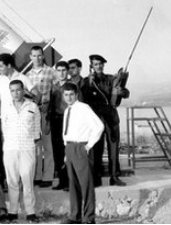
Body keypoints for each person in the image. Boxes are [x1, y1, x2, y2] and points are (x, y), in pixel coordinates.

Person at [81, 55, 129, 187]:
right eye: (96, 64)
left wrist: (121, 92)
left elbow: (126, 92)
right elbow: (82, 98)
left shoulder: (111, 79)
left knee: (113, 149)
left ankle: (114, 177)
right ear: (91, 66)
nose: (99, 66)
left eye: (100, 64)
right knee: (96, 149)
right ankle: (96, 178)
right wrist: (89, 84)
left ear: (103, 65)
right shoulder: (86, 81)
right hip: (96, 120)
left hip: (111, 118)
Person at [61, 82, 104, 224]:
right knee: (73, 184)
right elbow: (67, 133)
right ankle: (75, 216)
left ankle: (89, 218)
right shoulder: (67, 110)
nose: (69, 97)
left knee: (86, 184)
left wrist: (89, 145)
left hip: (81, 147)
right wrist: (67, 152)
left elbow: (98, 127)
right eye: (66, 95)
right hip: (70, 148)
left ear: (76, 94)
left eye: (71, 94)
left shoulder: (83, 108)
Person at [1, 80, 41, 223]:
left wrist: (31, 143)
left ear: (23, 90)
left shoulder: (33, 106)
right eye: (13, 90)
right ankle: (12, 211)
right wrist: (9, 143)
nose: (16, 93)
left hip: (27, 148)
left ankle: (30, 212)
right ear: (10, 92)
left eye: (18, 90)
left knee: (27, 181)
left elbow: (37, 129)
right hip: (10, 148)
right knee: (12, 181)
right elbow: (4, 128)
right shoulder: (6, 107)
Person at [0, 53, 32, 184]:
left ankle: (23, 178)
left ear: (9, 65)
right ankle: (10, 179)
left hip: (22, 120)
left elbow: (36, 95)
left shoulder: (23, 78)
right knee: (8, 151)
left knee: (22, 149)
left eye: (1, 66)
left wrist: (26, 94)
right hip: (5, 121)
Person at [26, 46, 55, 188]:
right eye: (34, 55)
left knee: (47, 145)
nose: (37, 58)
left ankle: (48, 175)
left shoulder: (51, 72)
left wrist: (48, 106)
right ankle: (37, 176)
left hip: (46, 111)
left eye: (39, 55)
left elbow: (56, 92)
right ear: (30, 57)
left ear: (43, 56)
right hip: (33, 113)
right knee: (36, 147)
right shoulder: (27, 75)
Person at [49, 61, 70, 191]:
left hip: (67, 120)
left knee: (67, 151)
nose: (61, 73)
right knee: (57, 152)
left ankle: (69, 182)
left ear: (67, 72)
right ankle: (62, 181)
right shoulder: (53, 87)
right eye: (59, 70)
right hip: (55, 121)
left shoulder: (72, 87)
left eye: (64, 70)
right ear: (55, 72)